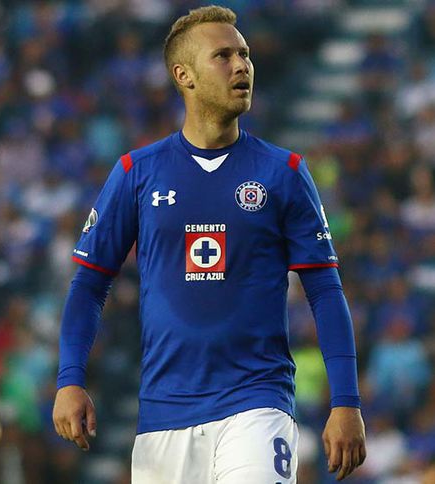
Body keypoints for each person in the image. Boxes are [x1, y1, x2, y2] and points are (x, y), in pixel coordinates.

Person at [51, 5, 366, 483]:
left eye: (245, 54)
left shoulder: (283, 173)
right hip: (163, 417)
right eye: (223, 56)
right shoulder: (137, 172)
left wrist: (345, 401)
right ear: (185, 76)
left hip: (257, 404)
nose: (241, 66)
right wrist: (70, 379)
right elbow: (89, 284)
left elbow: (324, 290)